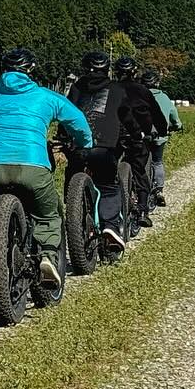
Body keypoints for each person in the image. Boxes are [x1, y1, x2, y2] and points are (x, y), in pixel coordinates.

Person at [0, 47, 92, 291]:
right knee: (48, 212)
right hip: (33, 164)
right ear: (31, 70)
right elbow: (77, 119)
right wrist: (85, 143)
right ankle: (47, 255)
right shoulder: (45, 96)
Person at [67, 51, 146, 249]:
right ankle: (110, 225)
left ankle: (74, 215)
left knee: (71, 179)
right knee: (109, 187)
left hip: (79, 146)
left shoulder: (76, 88)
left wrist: (63, 135)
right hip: (105, 148)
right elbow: (127, 116)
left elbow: (67, 113)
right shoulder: (117, 89)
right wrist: (137, 134)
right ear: (107, 69)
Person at [112, 55, 166, 229]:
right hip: (139, 136)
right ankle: (142, 210)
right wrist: (162, 130)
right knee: (139, 170)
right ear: (134, 72)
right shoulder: (143, 90)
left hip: (114, 135)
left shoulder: (110, 89)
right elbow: (157, 115)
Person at [141, 68, 183, 207]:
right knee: (157, 162)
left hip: (141, 136)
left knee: (139, 162)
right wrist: (177, 126)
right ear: (157, 83)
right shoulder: (164, 98)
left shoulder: (137, 95)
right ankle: (159, 191)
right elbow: (174, 116)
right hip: (159, 136)